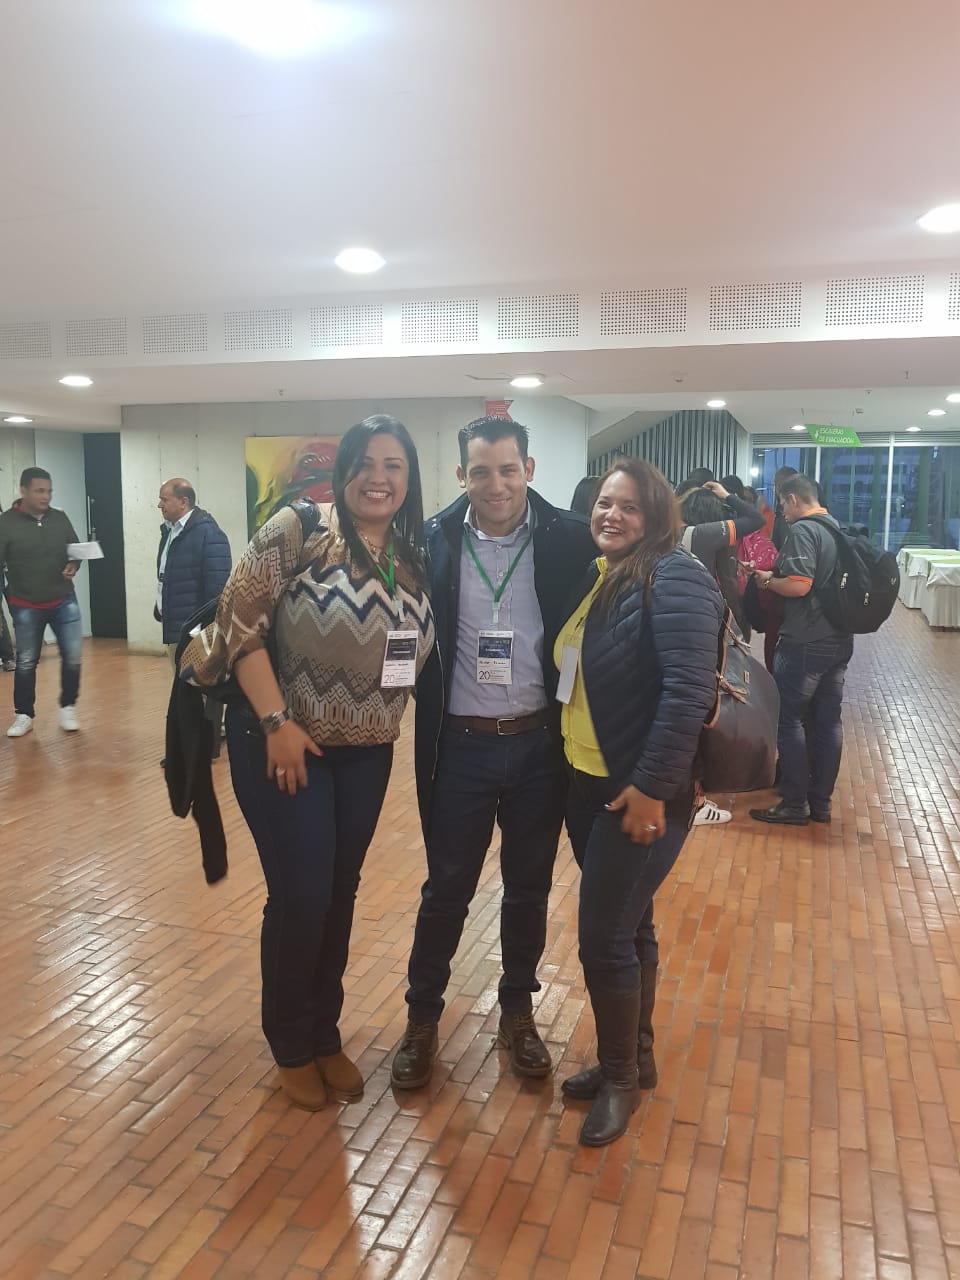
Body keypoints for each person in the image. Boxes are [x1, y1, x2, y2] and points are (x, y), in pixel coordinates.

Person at [181, 416, 435, 1109]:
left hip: (368, 752)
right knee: (302, 895)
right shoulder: (298, 528)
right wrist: (276, 722)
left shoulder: (414, 553)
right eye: (364, 463)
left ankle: (324, 1033)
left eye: (393, 466)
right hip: (284, 743)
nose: (377, 478)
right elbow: (238, 622)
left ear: (409, 479)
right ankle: (290, 1042)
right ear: (343, 469)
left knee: (339, 892)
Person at [392, 415, 597, 1090]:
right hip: (460, 747)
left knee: (528, 888)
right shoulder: (430, 541)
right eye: (480, 472)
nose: (496, 485)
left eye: (509, 470)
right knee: (446, 888)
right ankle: (422, 1018)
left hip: (541, 745)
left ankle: (517, 1012)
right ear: (462, 475)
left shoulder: (571, 538)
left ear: (529, 470)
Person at [555, 459, 722, 1145]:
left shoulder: (676, 575)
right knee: (630, 925)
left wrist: (653, 787)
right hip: (589, 783)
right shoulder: (605, 575)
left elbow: (689, 693)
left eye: (628, 506)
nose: (611, 515)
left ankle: (620, 1077)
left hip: (641, 792)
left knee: (603, 938)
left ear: (655, 515)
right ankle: (637, 1056)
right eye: (604, 503)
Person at [748, 474, 854, 826]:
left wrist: (767, 580)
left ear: (793, 499)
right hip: (839, 639)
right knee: (828, 722)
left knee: (790, 719)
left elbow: (799, 585)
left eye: (781, 504)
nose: (781, 511)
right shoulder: (837, 528)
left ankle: (795, 803)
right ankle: (820, 803)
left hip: (806, 641)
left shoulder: (805, 530)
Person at [678, 480, 764, 826]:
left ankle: (687, 795)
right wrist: (729, 497)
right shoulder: (703, 534)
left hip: (675, 631)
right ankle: (695, 801)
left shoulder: (671, 534)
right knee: (701, 714)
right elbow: (756, 520)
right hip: (698, 634)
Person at [0, 468, 83, 737]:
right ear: (23, 491)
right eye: (39, 491)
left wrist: (73, 564)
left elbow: (75, 549)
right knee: (26, 661)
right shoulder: (6, 523)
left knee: (73, 657)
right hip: (25, 604)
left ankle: (68, 706)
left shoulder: (59, 518)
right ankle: (24, 714)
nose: (46, 496)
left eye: (49, 491)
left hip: (64, 600)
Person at [155, 479, 231, 666]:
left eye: (164, 500)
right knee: (180, 681)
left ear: (183, 502)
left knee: (196, 681)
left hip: (195, 633)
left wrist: (202, 631)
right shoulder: (169, 532)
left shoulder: (209, 534)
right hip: (175, 626)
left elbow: (217, 591)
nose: (159, 505)